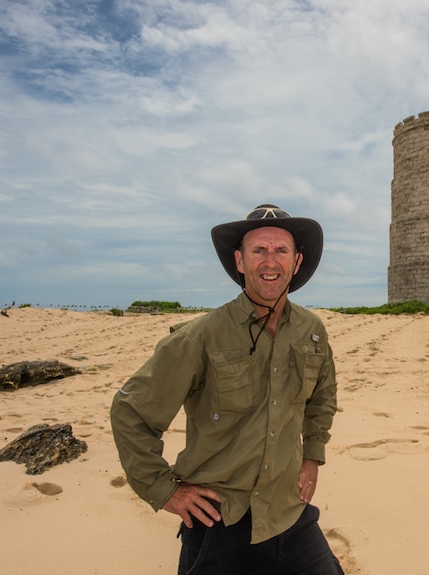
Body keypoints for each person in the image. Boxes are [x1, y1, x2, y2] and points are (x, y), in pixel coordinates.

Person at [110, 204, 343, 574]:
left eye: (281, 250)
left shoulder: (311, 330)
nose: (270, 261)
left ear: (297, 261)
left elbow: (322, 397)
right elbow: (131, 411)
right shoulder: (201, 336)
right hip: (220, 520)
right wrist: (163, 489)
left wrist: (312, 454)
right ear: (239, 260)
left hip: (289, 511)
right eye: (259, 250)